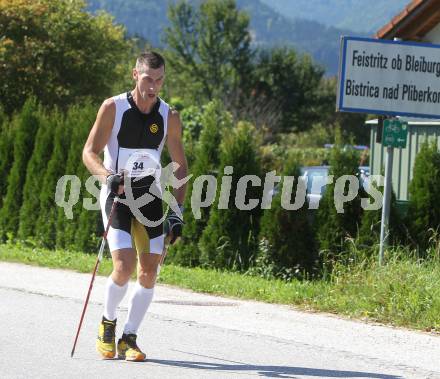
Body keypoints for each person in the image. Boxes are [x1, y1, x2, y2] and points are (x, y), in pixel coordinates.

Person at [82, 51, 188, 361]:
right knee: (124, 267)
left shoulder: (170, 116)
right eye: (147, 79)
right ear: (134, 75)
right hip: (118, 195)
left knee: (149, 273)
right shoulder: (112, 108)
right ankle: (108, 321)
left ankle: (129, 337)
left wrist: (177, 212)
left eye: (158, 80)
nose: (152, 87)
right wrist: (107, 176)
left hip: (151, 197)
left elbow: (180, 166)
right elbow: (89, 152)